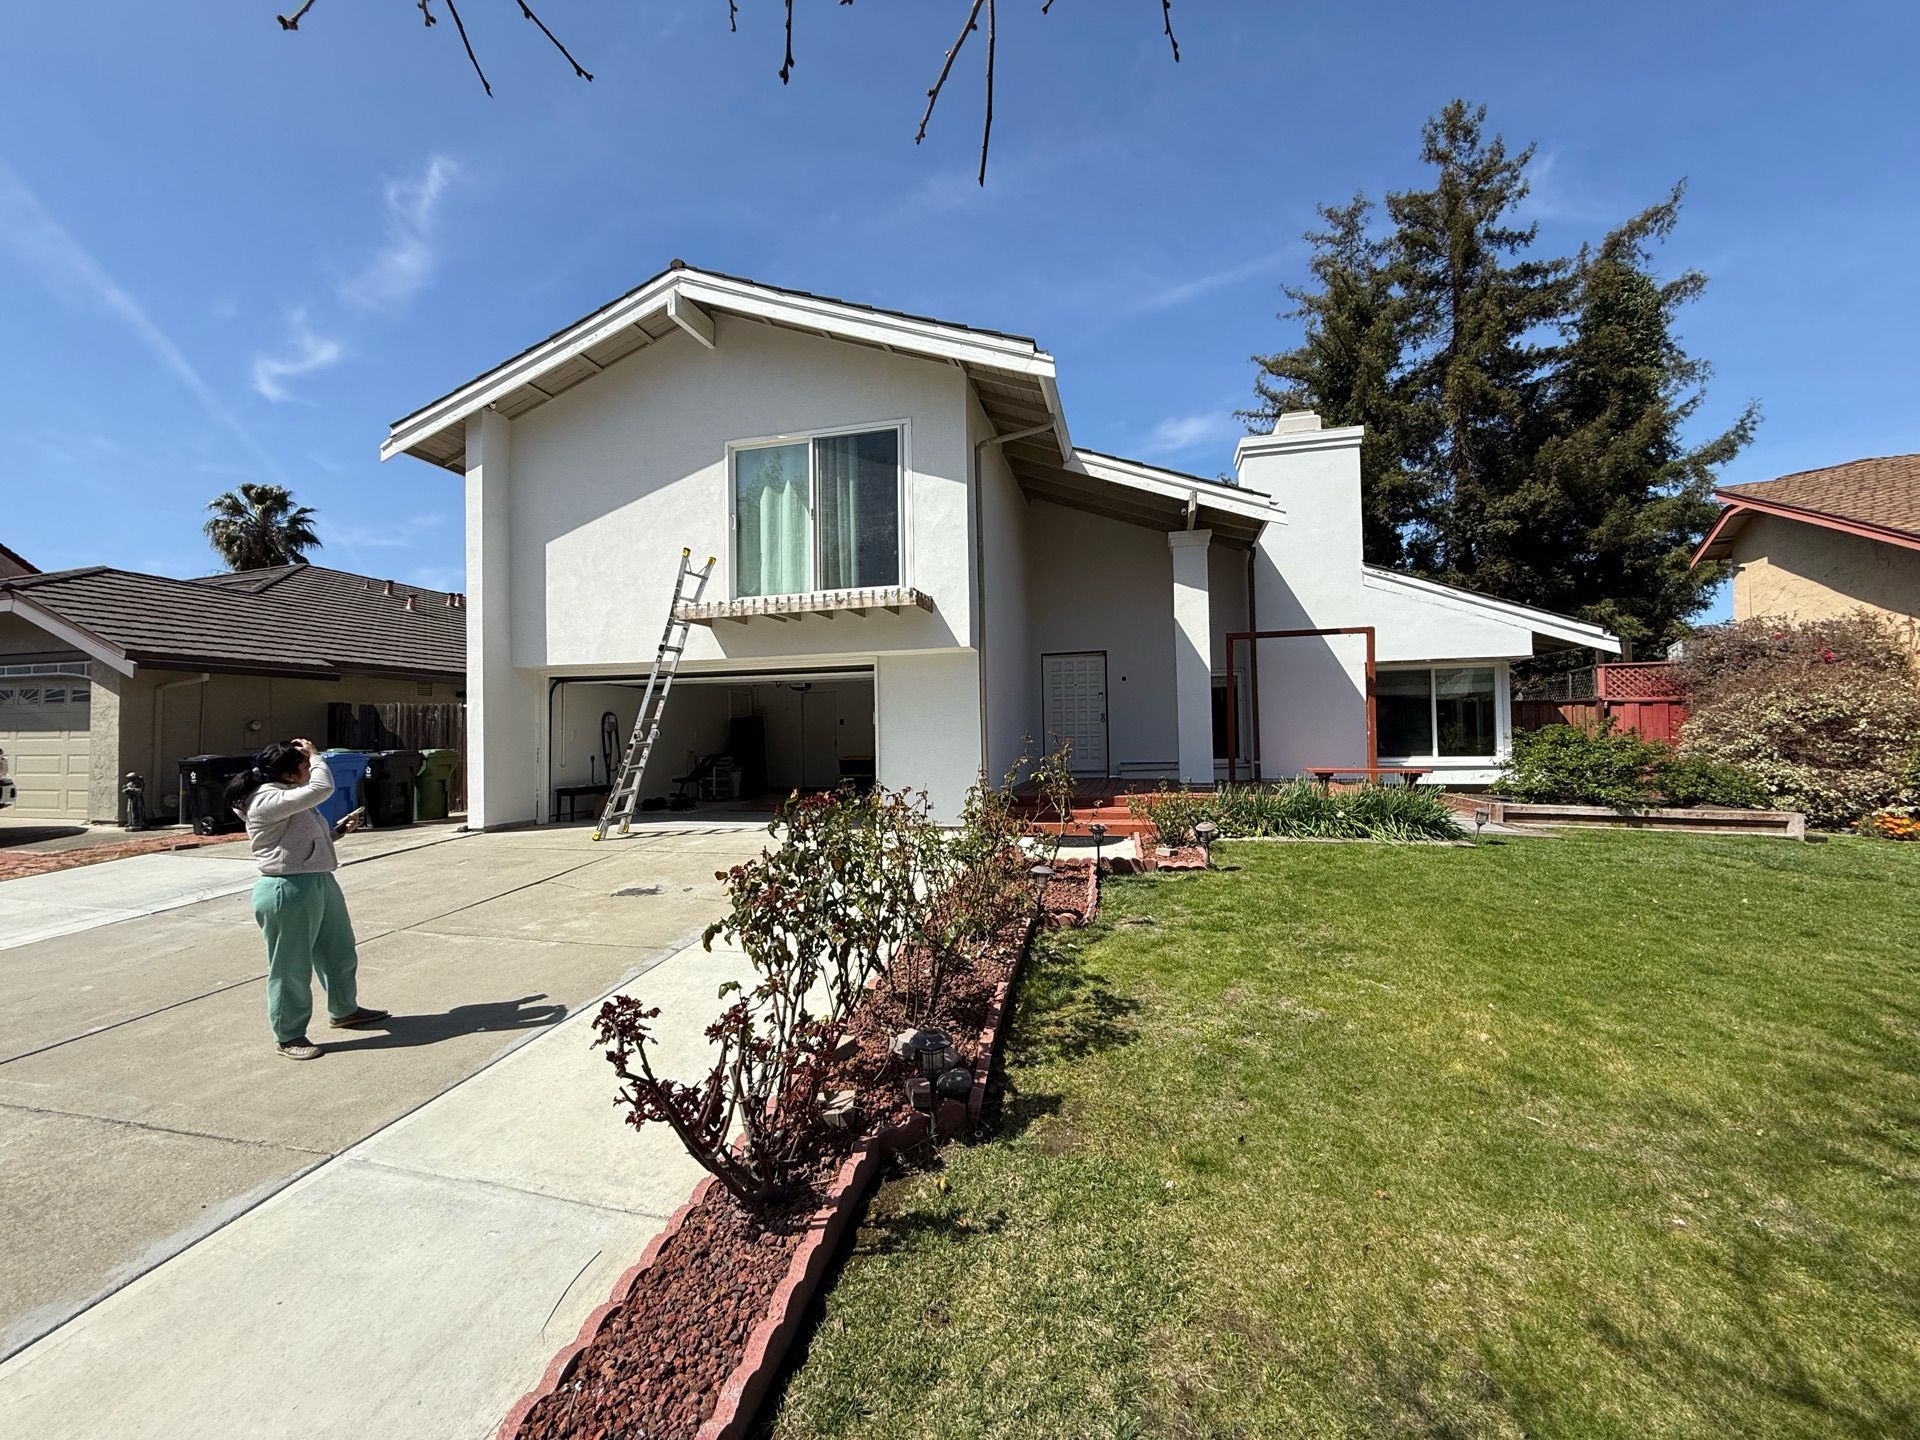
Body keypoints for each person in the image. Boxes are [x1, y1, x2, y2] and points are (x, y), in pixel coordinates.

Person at [223, 738, 387, 1060]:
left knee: (338, 950)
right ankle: (288, 1036)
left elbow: (299, 839)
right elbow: (322, 788)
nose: (310, 770)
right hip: (287, 888)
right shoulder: (266, 799)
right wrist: (316, 756)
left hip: (318, 879)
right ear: (288, 774)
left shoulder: (287, 795)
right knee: (291, 965)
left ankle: (344, 1010)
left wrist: (338, 832)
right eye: (304, 767)